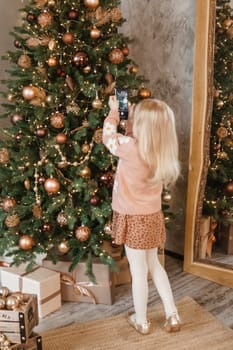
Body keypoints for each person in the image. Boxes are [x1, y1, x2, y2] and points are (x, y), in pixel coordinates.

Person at [102, 95, 181, 335]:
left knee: (138, 272)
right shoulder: (160, 150)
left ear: (142, 127)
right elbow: (133, 135)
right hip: (152, 217)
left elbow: (107, 137)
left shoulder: (129, 148)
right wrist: (133, 117)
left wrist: (115, 112)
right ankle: (172, 314)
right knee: (154, 265)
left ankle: (142, 320)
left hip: (132, 218)